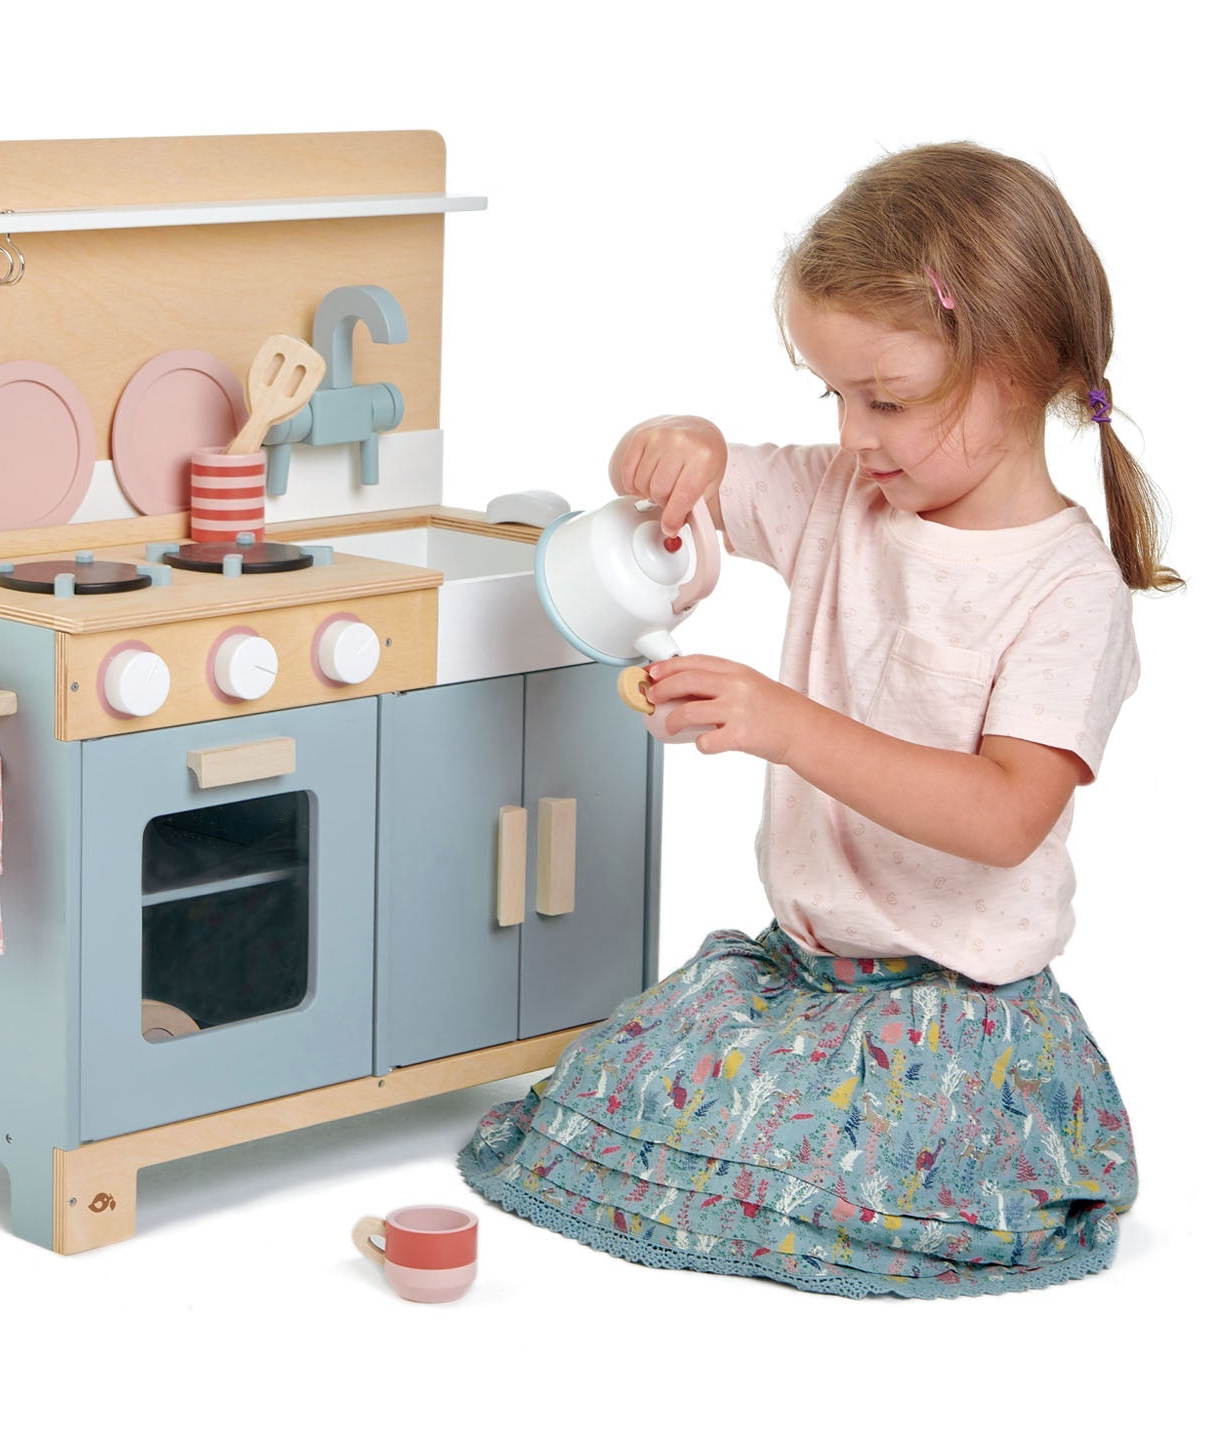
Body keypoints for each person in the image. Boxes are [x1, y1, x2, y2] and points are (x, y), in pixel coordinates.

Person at [458, 142, 1178, 1298]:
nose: (852, 434)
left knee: (830, 1182)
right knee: (603, 1107)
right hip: (796, 977)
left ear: (1019, 367)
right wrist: (676, 440)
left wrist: (785, 723)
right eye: (832, 394)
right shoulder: (854, 495)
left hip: (951, 1016)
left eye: (885, 398)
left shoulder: (1064, 591)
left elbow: (1004, 817)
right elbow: (699, 490)